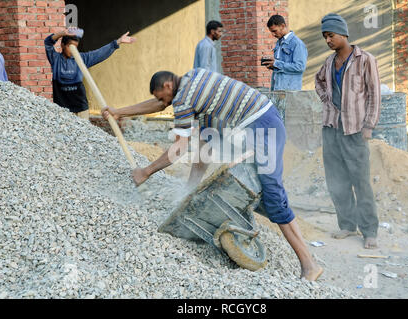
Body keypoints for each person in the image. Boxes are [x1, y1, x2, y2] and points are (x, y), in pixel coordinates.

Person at [102, 68, 324, 281]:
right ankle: (292, 244)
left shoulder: (183, 99)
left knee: (273, 199)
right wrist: (189, 191)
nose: (164, 105)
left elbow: (179, 148)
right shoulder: (195, 78)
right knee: (264, 196)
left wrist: (146, 171)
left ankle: (309, 265)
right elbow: (203, 147)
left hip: (263, 128)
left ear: (168, 85)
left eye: (163, 98)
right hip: (262, 122)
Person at [314, 13, 381, 249]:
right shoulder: (329, 63)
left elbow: (374, 94)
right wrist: (326, 99)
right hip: (331, 128)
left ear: (343, 34)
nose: (328, 40)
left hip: (354, 130)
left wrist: (369, 126)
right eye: (325, 37)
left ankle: (369, 231)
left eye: (331, 35)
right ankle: (347, 225)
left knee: (360, 181)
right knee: (337, 180)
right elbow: (318, 81)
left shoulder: (365, 60)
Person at [44, 27, 136, 120]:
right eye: (70, 47)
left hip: (81, 108)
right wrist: (62, 33)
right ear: (62, 45)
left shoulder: (82, 59)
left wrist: (117, 42)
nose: (73, 51)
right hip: (62, 109)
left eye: (75, 47)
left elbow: (99, 54)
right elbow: (48, 42)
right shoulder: (55, 59)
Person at [262, 15, 307, 91]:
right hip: (277, 90)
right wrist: (273, 65)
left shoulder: (297, 43)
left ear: (282, 26)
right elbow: (282, 66)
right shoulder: (279, 42)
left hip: (290, 93)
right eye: (271, 32)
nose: (273, 34)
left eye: (274, 31)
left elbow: (300, 67)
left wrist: (276, 64)